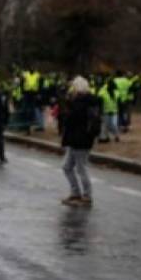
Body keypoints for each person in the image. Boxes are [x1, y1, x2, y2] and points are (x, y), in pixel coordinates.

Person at [60, 77, 99, 206]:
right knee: (67, 167)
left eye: (74, 87)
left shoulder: (82, 103)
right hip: (76, 138)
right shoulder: (83, 102)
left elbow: (72, 118)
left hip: (81, 138)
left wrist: (69, 104)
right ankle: (76, 193)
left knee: (81, 168)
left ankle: (87, 195)